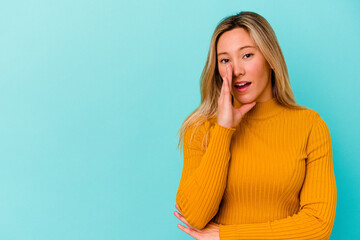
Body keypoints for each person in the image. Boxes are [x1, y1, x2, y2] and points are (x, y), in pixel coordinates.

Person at [173, 11, 337, 240]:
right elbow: (195, 217)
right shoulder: (201, 128)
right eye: (225, 60)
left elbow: (318, 226)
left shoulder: (310, 127)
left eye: (247, 55)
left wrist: (226, 235)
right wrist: (223, 130)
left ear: (270, 58)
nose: (236, 70)